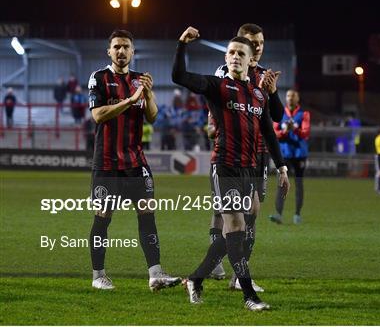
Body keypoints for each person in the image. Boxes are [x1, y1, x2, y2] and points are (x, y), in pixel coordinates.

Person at [172, 26, 289, 311]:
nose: (235, 57)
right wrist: (182, 46)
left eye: (241, 54)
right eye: (231, 53)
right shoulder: (217, 85)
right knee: (235, 225)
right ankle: (249, 295)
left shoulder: (259, 95)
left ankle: (196, 279)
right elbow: (180, 77)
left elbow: (270, 133)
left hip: (250, 169)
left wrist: (282, 168)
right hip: (224, 166)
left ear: (251, 61)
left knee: (237, 230)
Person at [88, 29, 180, 291]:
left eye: (126, 47)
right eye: (116, 46)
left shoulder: (140, 80)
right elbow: (98, 115)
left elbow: (152, 116)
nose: (121, 51)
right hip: (107, 162)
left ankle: (155, 274)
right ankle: (98, 276)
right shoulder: (99, 78)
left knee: (147, 213)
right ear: (109, 51)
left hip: (136, 162)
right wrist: (129, 100)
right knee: (103, 215)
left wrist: (148, 94)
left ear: (132, 51)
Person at [208, 23, 284, 290]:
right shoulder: (225, 70)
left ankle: (238, 276)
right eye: (253, 42)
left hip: (258, 154)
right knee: (224, 210)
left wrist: (272, 92)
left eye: (261, 42)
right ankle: (215, 258)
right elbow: (214, 104)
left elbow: (277, 116)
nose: (258, 47)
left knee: (252, 213)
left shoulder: (265, 75)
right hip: (230, 152)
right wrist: (211, 125)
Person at [269, 89, 310, 224]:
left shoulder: (304, 114)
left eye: (293, 96)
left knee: (298, 184)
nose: (290, 98)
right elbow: (274, 133)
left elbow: (305, 133)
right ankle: (278, 214)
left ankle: (297, 214)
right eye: (288, 96)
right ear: (285, 98)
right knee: (281, 184)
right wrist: (285, 131)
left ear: (298, 99)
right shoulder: (280, 114)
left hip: (299, 155)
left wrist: (295, 130)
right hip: (284, 154)